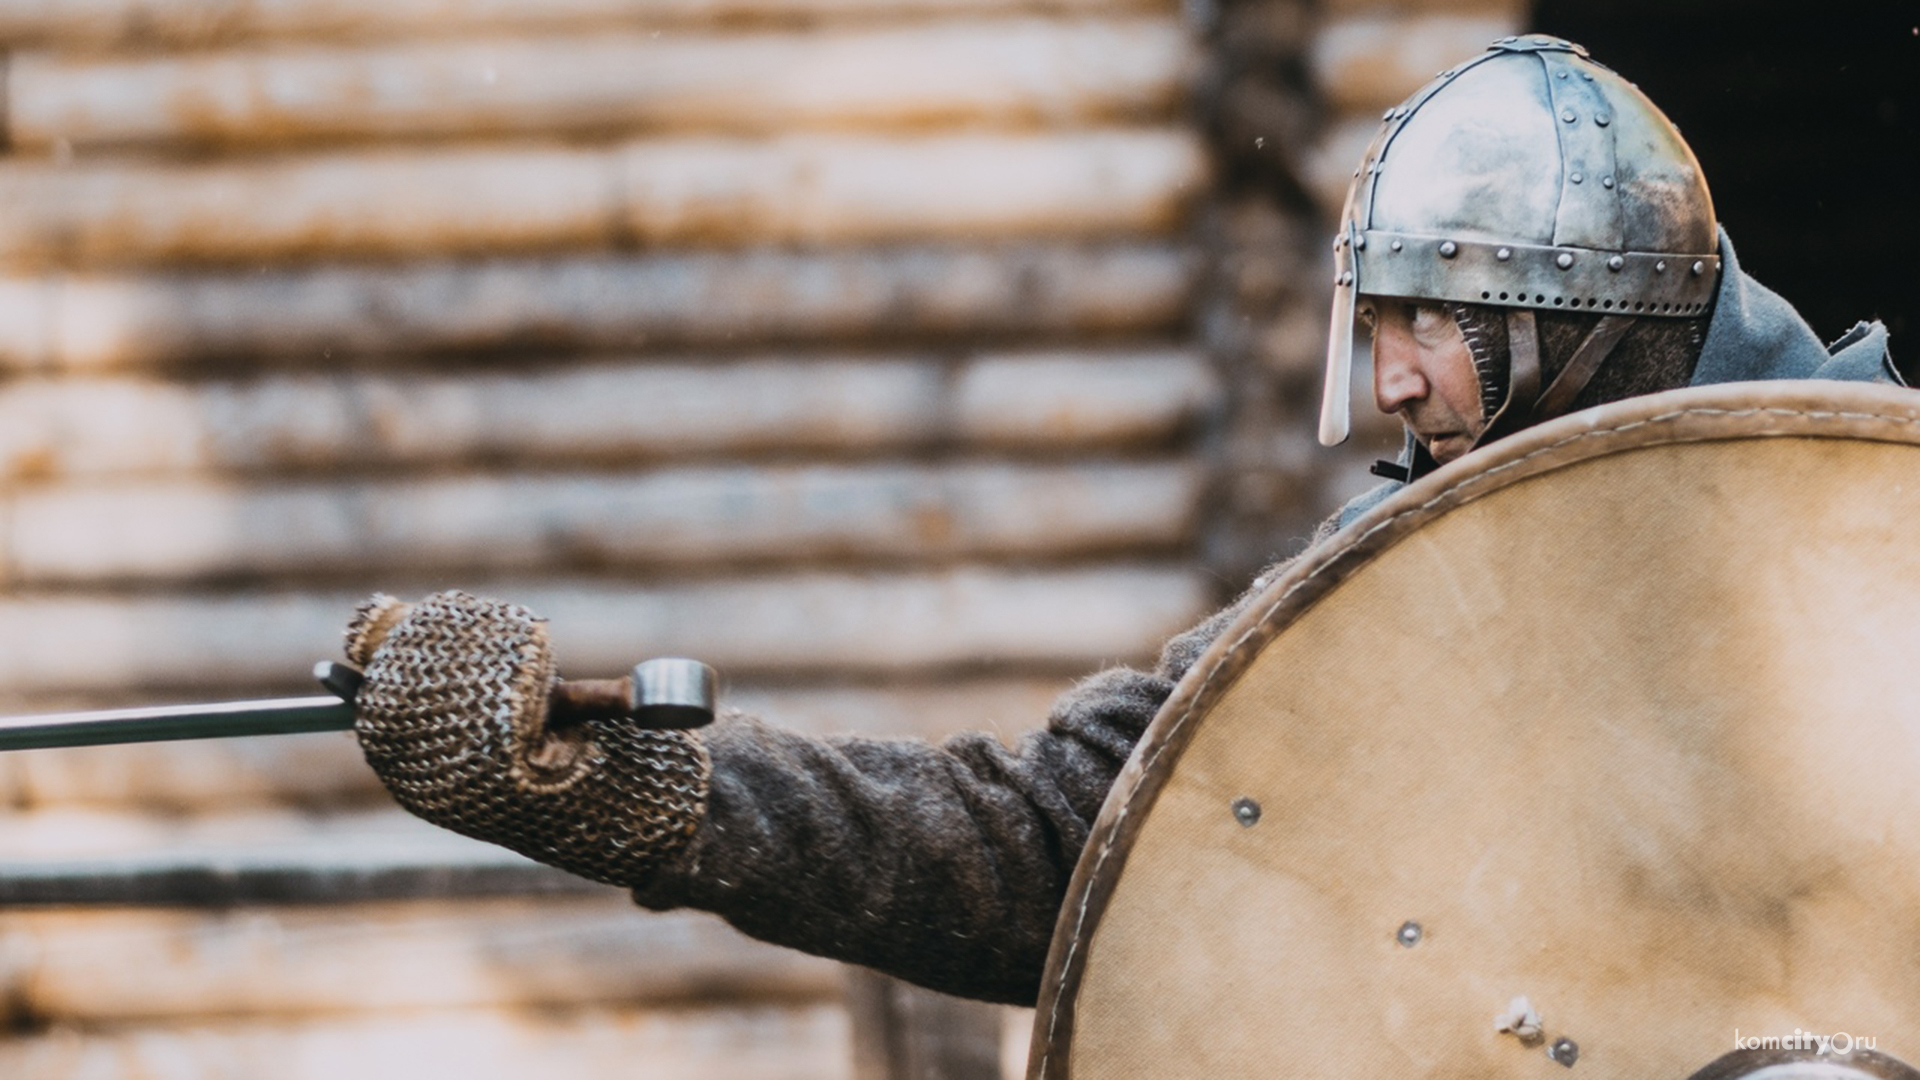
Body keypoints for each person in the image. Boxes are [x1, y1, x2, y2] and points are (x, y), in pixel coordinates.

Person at [342, 37, 1902, 1008]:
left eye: (1439, 318)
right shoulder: (1399, 599)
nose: (1393, 376)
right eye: (1384, 317)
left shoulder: (1875, 567)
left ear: (1580, 326)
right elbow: (1048, 840)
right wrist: (633, 787)